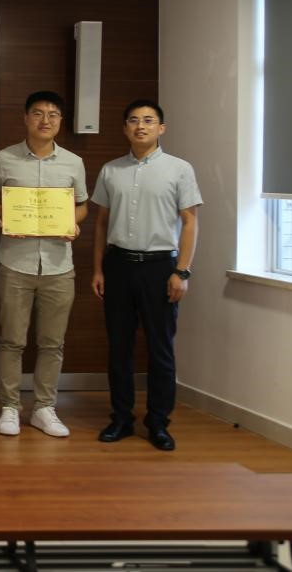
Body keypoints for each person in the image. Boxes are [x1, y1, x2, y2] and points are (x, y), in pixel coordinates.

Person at [91, 99, 201, 452]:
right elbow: (102, 223)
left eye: (149, 120)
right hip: (119, 265)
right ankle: (121, 418)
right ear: (125, 128)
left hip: (160, 268)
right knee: (119, 347)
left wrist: (182, 271)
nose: (141, 126)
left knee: (161, 348)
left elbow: (190, 222)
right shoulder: (111, 170)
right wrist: (98, 269)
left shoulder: (179, 169)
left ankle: (158, 422)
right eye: (134, 120)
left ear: (161, 128)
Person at [0, 91, 88, 438]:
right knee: (11, 340)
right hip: (15, 261)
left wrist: (73, 222)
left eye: (53, 114)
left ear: (60, 121)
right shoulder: (3, 159)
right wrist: (8, 213)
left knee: (52, 343)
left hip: (59, 265)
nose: (46, 120)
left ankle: (44, 407)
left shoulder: (73, 163)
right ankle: (9, 406)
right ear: (26, 118)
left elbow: (82, 205)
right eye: (39, 113)